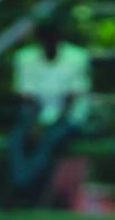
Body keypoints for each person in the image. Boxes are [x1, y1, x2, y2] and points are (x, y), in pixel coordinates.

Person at [8, 16, 92, 205]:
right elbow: (27, 97)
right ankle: (24, 184)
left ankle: (22, 184)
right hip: (34, 117)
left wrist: (48, 124)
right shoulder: (25, 58)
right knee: (16, 140)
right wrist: (36, 123)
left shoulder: (77, 58)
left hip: (67, 118)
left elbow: (71, 99)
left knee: (49, 140)